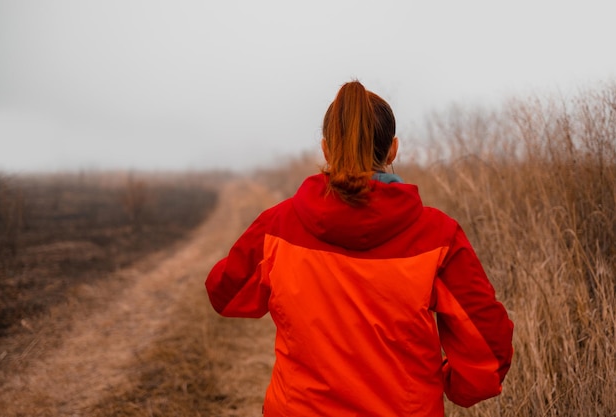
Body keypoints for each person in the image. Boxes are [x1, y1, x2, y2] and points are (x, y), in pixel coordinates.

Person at [205, 80, 514, 416]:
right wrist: (451, 386)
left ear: (325, 149)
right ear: (393, 150)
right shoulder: (439, 236)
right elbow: (489, 352)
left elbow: (226, 292)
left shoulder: (277, 227)